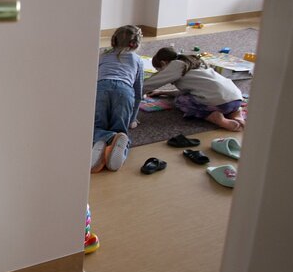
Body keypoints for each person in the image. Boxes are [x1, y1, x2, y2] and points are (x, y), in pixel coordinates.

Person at [144, 47, 245, 131]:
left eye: (158, 69)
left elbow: (154, 81)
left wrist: (133, 92)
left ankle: (217, 119)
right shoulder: (195, 62)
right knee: (202, 96)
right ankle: (236, 114)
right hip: (236, 100)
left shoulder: (175, 66)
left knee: (180, 101)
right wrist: (162, 92)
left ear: (163, 63)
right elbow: (194, 91)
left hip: (219, 103)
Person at [91, 25, 143, 173]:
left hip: (101, 88)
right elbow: (139, 93)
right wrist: (133, 119)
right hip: (125, 91)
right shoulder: (137, 60)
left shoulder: (103, 55)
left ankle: (101, 141)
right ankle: (116, 144)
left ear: (113, 41)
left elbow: (93, 76)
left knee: (96, 126)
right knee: (120, 130)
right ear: (136, 44)